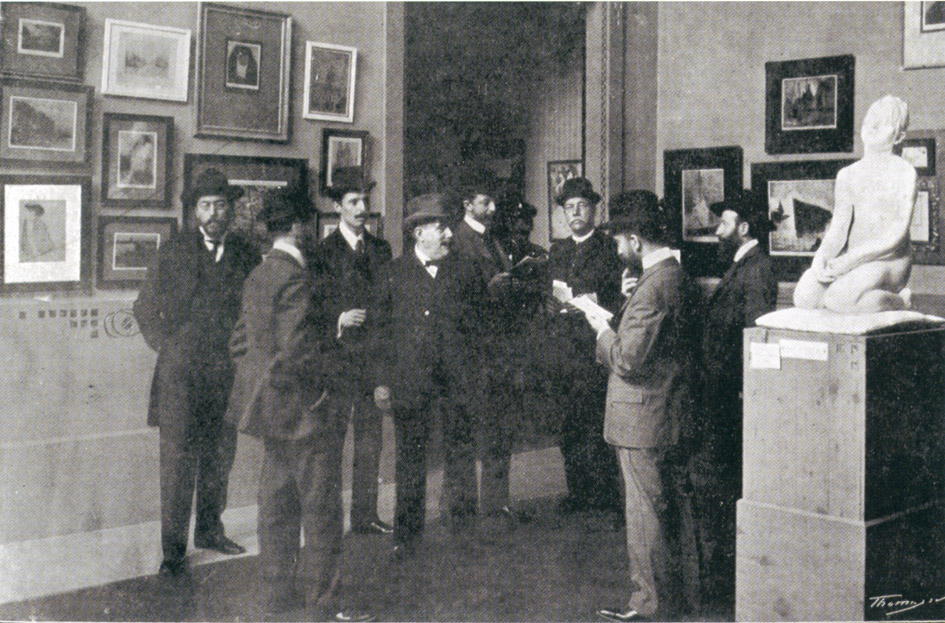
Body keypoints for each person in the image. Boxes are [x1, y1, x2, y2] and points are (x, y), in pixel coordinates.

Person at [226, 188, 371, 622]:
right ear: (297, 226)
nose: (311, 229)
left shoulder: (258, 274)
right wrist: (318, 394)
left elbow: (240, 343)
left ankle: (277, 597)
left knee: (276, 508)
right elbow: (297, 351)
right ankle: (326, 604)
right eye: (309, 222)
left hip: (270, 414)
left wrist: (264, 387)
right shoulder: (295, 276)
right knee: (321, 509)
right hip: (305, 415)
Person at [134, 168, 260, 578]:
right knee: (177, 467)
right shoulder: (174, 251)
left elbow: (254, 311)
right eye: (206, 205)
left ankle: (210, 531)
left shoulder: (245, 253)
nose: (214, 213)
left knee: (219, 459)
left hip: (225, 375)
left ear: (230, 210)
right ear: (194, 211)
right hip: (180, 379)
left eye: (221, 205)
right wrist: (168, 347)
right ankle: (173, 552)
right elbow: (144, 308)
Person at [586, 191, 700, 622]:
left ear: (635, 240)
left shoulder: (654, 286)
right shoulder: (673, 276)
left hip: (642, 419)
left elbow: (627, 359)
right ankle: (679, 600)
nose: (618, 249)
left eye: (619, 241)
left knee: (645, 515)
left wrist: (601, 330)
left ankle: (649, 604)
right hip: (667, 412)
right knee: (669, 510)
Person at [374, 193, 483, 559]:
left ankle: (465, 534)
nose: (449, 235)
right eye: (441, 228)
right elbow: (380, 333)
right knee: (410, 460)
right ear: (419, 233)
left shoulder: (466, 271)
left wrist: (474, 374)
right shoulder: (394, 272)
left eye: (448, 227)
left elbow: (481, 328)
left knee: (461, 458)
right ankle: (406, 538)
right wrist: (382, 381)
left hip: (457, 383)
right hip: (410, 384)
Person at [690, 189, 777, 611]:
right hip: (720, 397)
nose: (718, 230)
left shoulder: (756, 270)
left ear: (743, 228)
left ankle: (722, 587)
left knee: (720, 491)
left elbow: (755, 341)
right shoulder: (743, 266)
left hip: (728, 402)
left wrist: (742, 397)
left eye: (724, 223)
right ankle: (718, 581)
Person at [313, 167, 393, 536]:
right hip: (337, 363)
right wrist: (339, 318)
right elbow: (311, 310)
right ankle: (329, 520)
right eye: (353, 201)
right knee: (331, 445)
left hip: (372, 362)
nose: (362, 208)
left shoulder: (381, 249)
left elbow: (389, 307)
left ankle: (366, 516)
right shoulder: (322, 252)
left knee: (370, 442)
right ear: (337, 207)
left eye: (365, 200)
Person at [450, 180, 531, 531]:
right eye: (486, 202)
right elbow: (455, 299)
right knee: (467, 433)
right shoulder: (457, 240)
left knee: (499, 428)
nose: (493, 208)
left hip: (501, 351)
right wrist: (490, 291)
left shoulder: (493, 238)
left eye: (493, 202)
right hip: (474, 352)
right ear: (468, 204)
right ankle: (462, 509)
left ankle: (496, 504)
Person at [793, 95, 917, 313]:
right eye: (870, 118)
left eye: (883, 122)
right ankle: (857, 292)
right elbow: (838, 229)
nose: (873, 124)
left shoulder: (904, 172)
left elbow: (896, 234)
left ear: (899, 137)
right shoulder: (848, 174)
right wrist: (821, 257)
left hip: (888, 260)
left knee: (839, 299)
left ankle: (901, 301)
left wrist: (851, 260)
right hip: (852, 259)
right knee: (805, 296)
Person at [547, 177, 623, 515]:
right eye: (569, 208)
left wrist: (595, 299)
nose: (575, 213)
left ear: (593, 210)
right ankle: (576, 492)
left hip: (594, 348)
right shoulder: (558, 250)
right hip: (563, 350)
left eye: (581, 206)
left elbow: (620, 297)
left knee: (596, 424)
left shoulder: (609, 248)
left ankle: (604, 496)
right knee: (569, 426)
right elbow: (550, 291)